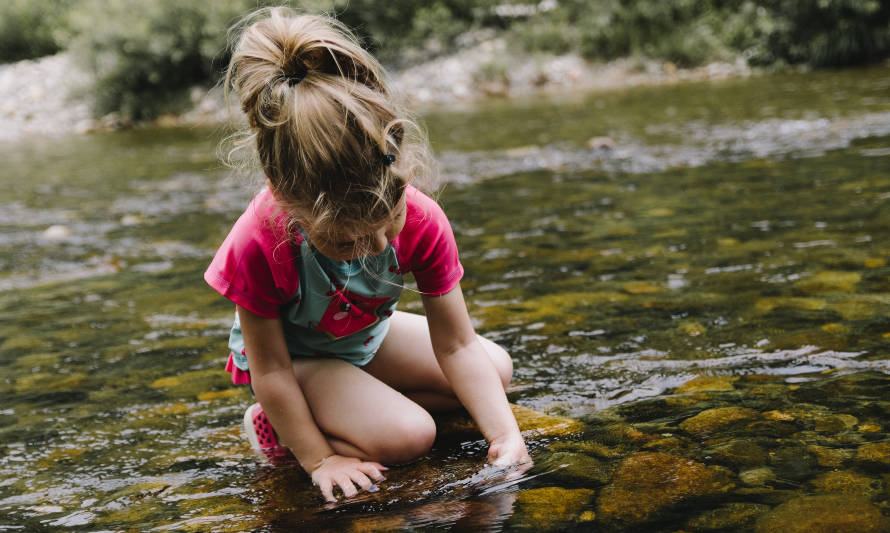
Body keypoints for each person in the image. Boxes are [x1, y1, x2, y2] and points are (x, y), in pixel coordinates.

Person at [205, 8, 530, 504]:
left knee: (495, 370)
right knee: (410, 436)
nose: (378, 248)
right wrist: (320, 458)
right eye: (347, 242)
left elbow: (457, 346)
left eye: (388, 224)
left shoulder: (421, 218)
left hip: (363, 337)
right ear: (291, 206)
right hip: (299, 362)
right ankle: (281, 428)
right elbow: (269, 370)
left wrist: (505, 436)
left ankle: (357, 404)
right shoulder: (258, 241)